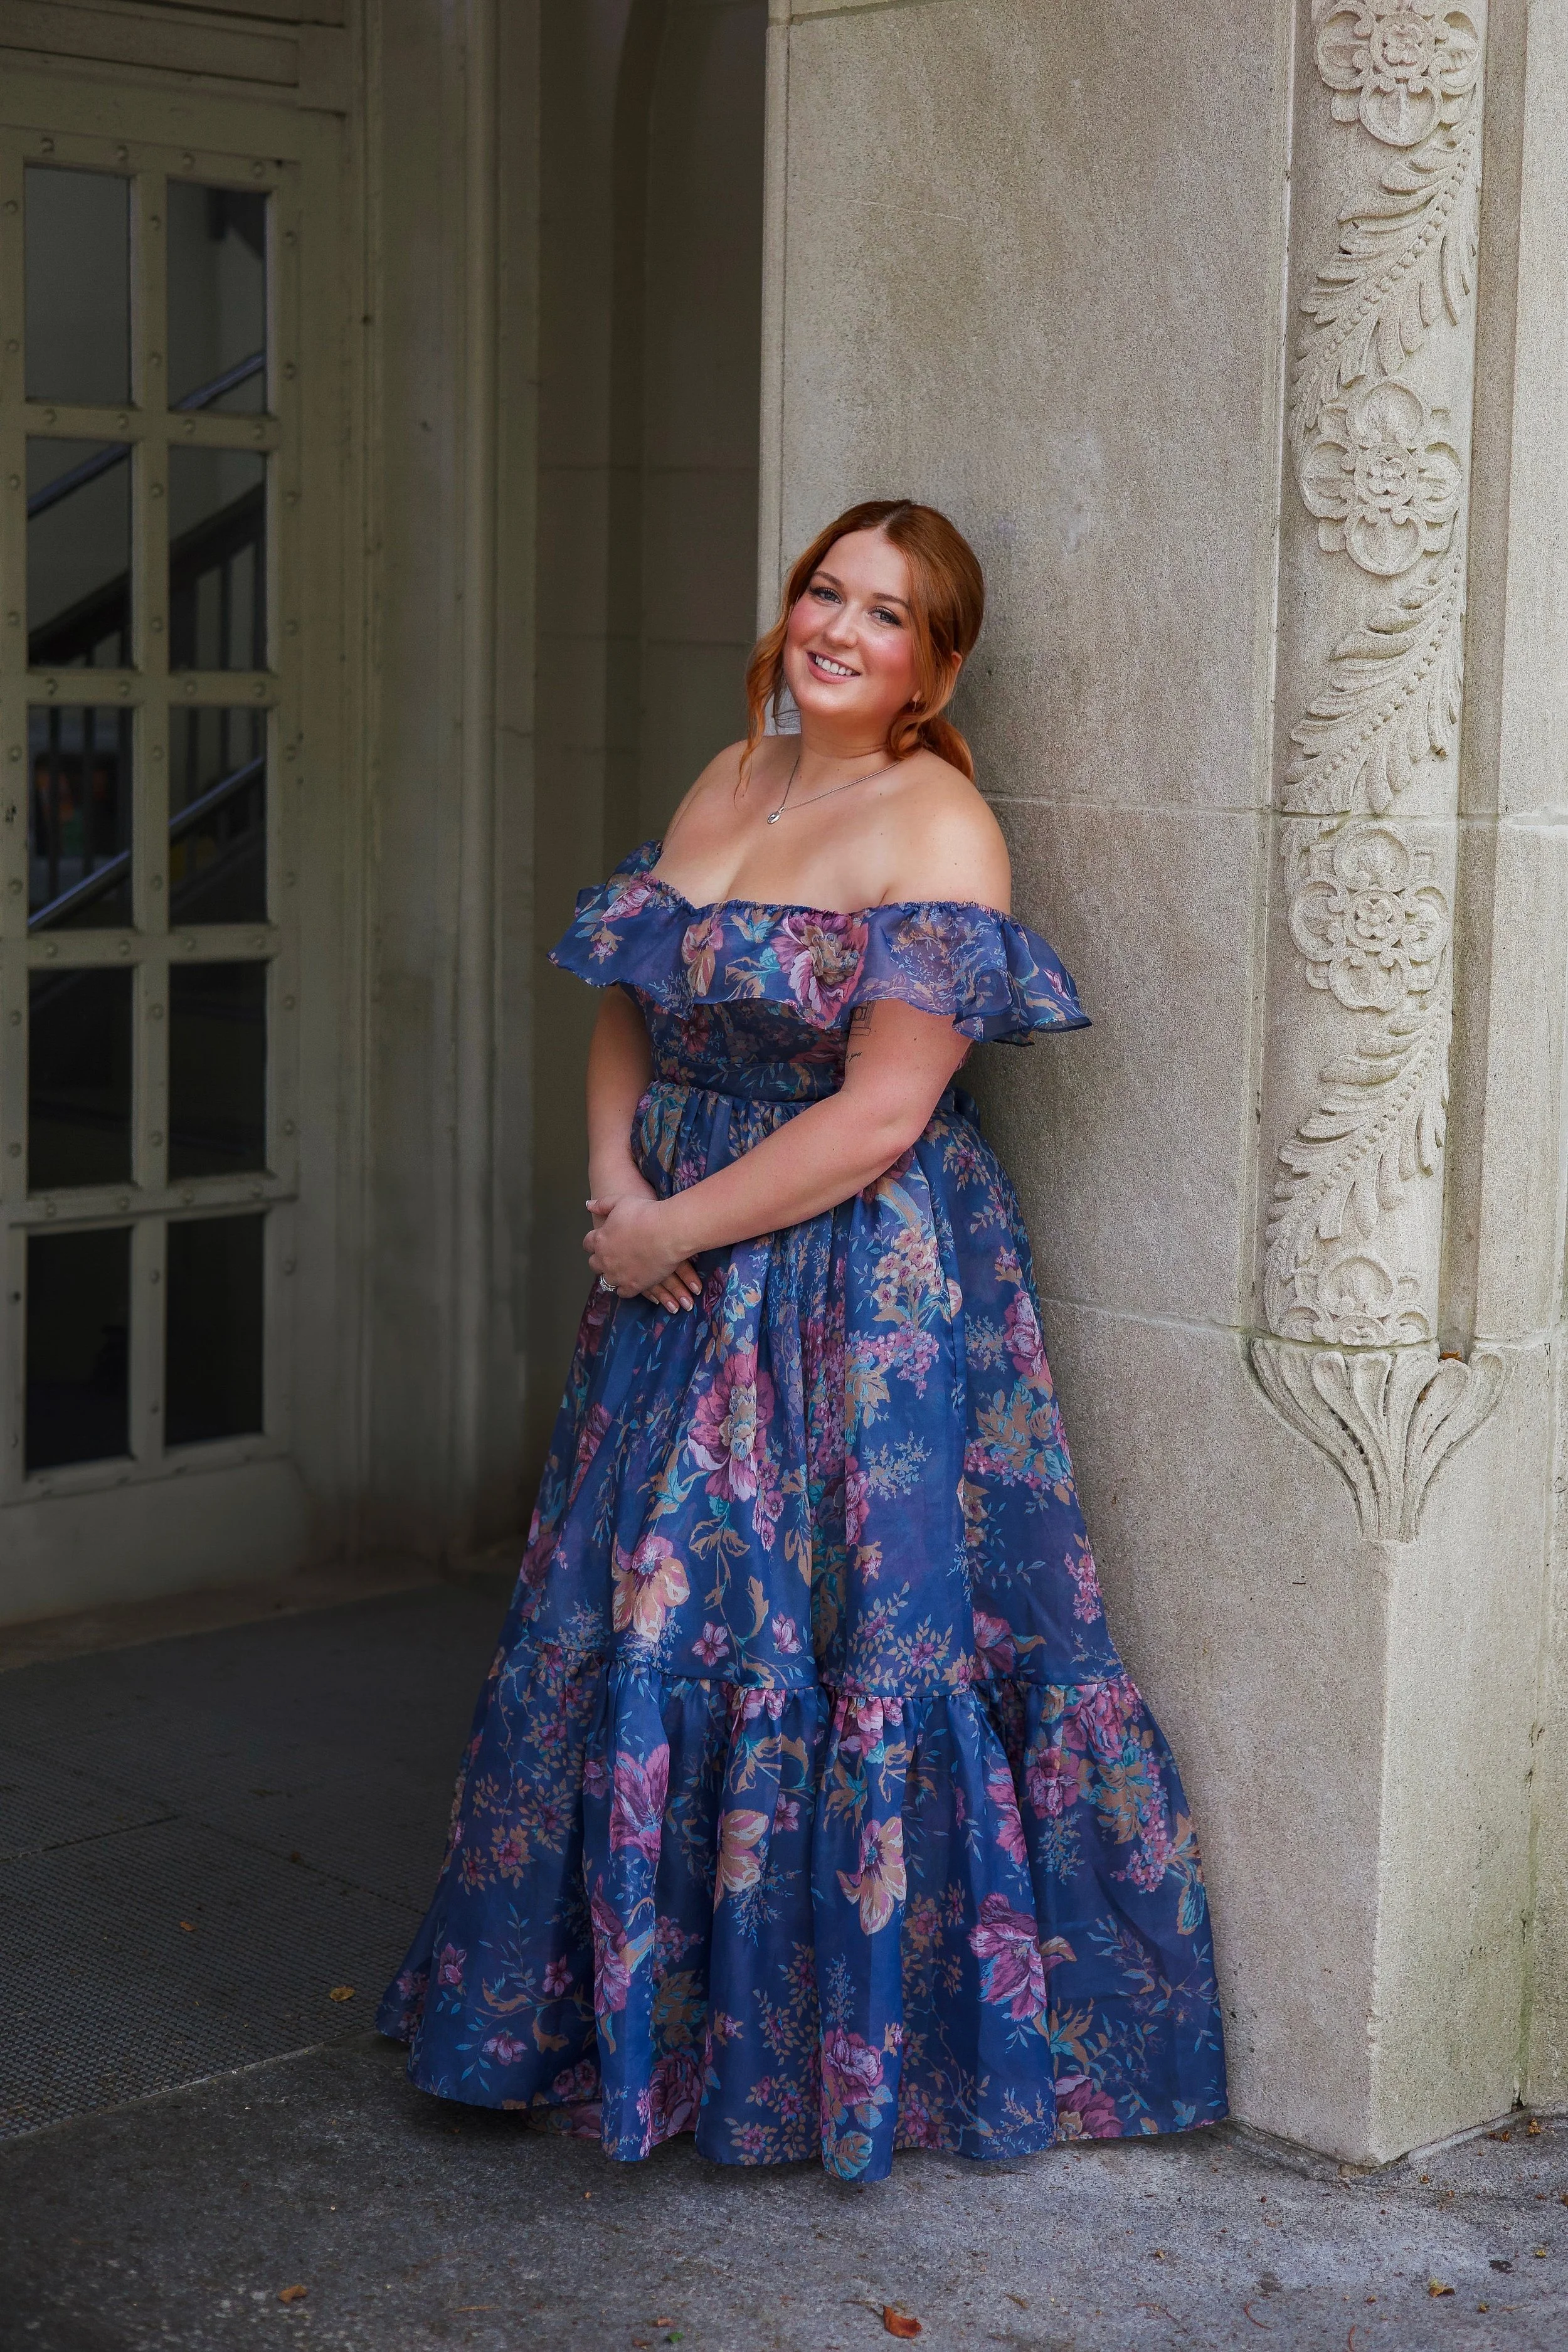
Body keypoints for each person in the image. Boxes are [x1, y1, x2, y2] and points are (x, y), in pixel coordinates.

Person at [379, 499, 1227, 2178]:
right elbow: (628, 1000)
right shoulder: (732, 772)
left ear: (935, 666)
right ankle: (623, 2024)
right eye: (825, 590)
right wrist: (617, 1185)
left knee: (827, 1632)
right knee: (641, 1610)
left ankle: (814, 2060)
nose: (840, 627)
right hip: (670, 1264)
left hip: (846, 1283)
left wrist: (672, 1230)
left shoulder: (940, 824)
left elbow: (884, 1115)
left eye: (885, 613)